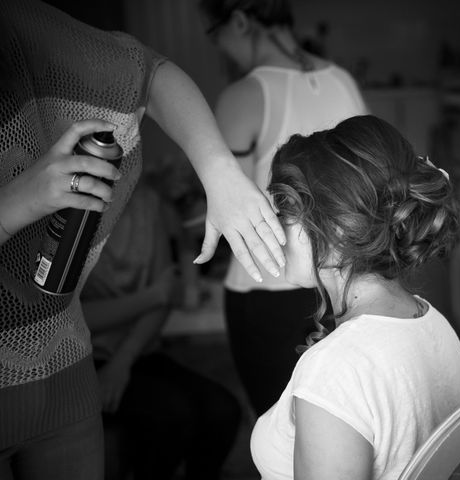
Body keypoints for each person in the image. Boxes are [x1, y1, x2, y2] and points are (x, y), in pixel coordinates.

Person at [0, 1, 284, 478]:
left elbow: (149, 74)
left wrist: (221, 173)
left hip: (67, 375)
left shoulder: (17, 27)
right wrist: (16, 203)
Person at [251, 115, 460, 479]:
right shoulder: (434, 324)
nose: (274, 226)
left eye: (285, 209)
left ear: (335, 229)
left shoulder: (335, 372)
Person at [199, 0, 368, 415]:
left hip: (266, 289)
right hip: (346, 286)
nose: (220, 47)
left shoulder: (243, 95)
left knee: (279, 434)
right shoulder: (343, 81)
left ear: (239, 21)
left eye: (215, 33)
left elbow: (227, 208)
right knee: (343, 419)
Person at [81, 181, 240, 480]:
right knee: (172, 414)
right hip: (83, 359)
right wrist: (149, 297)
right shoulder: (67, 206)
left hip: (138, 351)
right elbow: (70, 316)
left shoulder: (146, 201)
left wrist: (123, 361)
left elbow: (165, 294)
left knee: (224, 410)